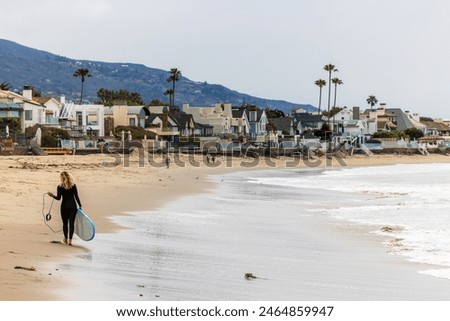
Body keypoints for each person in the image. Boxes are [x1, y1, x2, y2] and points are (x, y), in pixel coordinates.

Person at [47, 171, 82, 245]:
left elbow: (58, 198)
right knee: (71, 224)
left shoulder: (60, 187)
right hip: (73, 207)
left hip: (64, 207)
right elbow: (76, 197)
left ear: (61, 178)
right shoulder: (73, 186)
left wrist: (52, 195)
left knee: (65, 224)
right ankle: (70, 241)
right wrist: (80, 206)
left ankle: (65, 239)